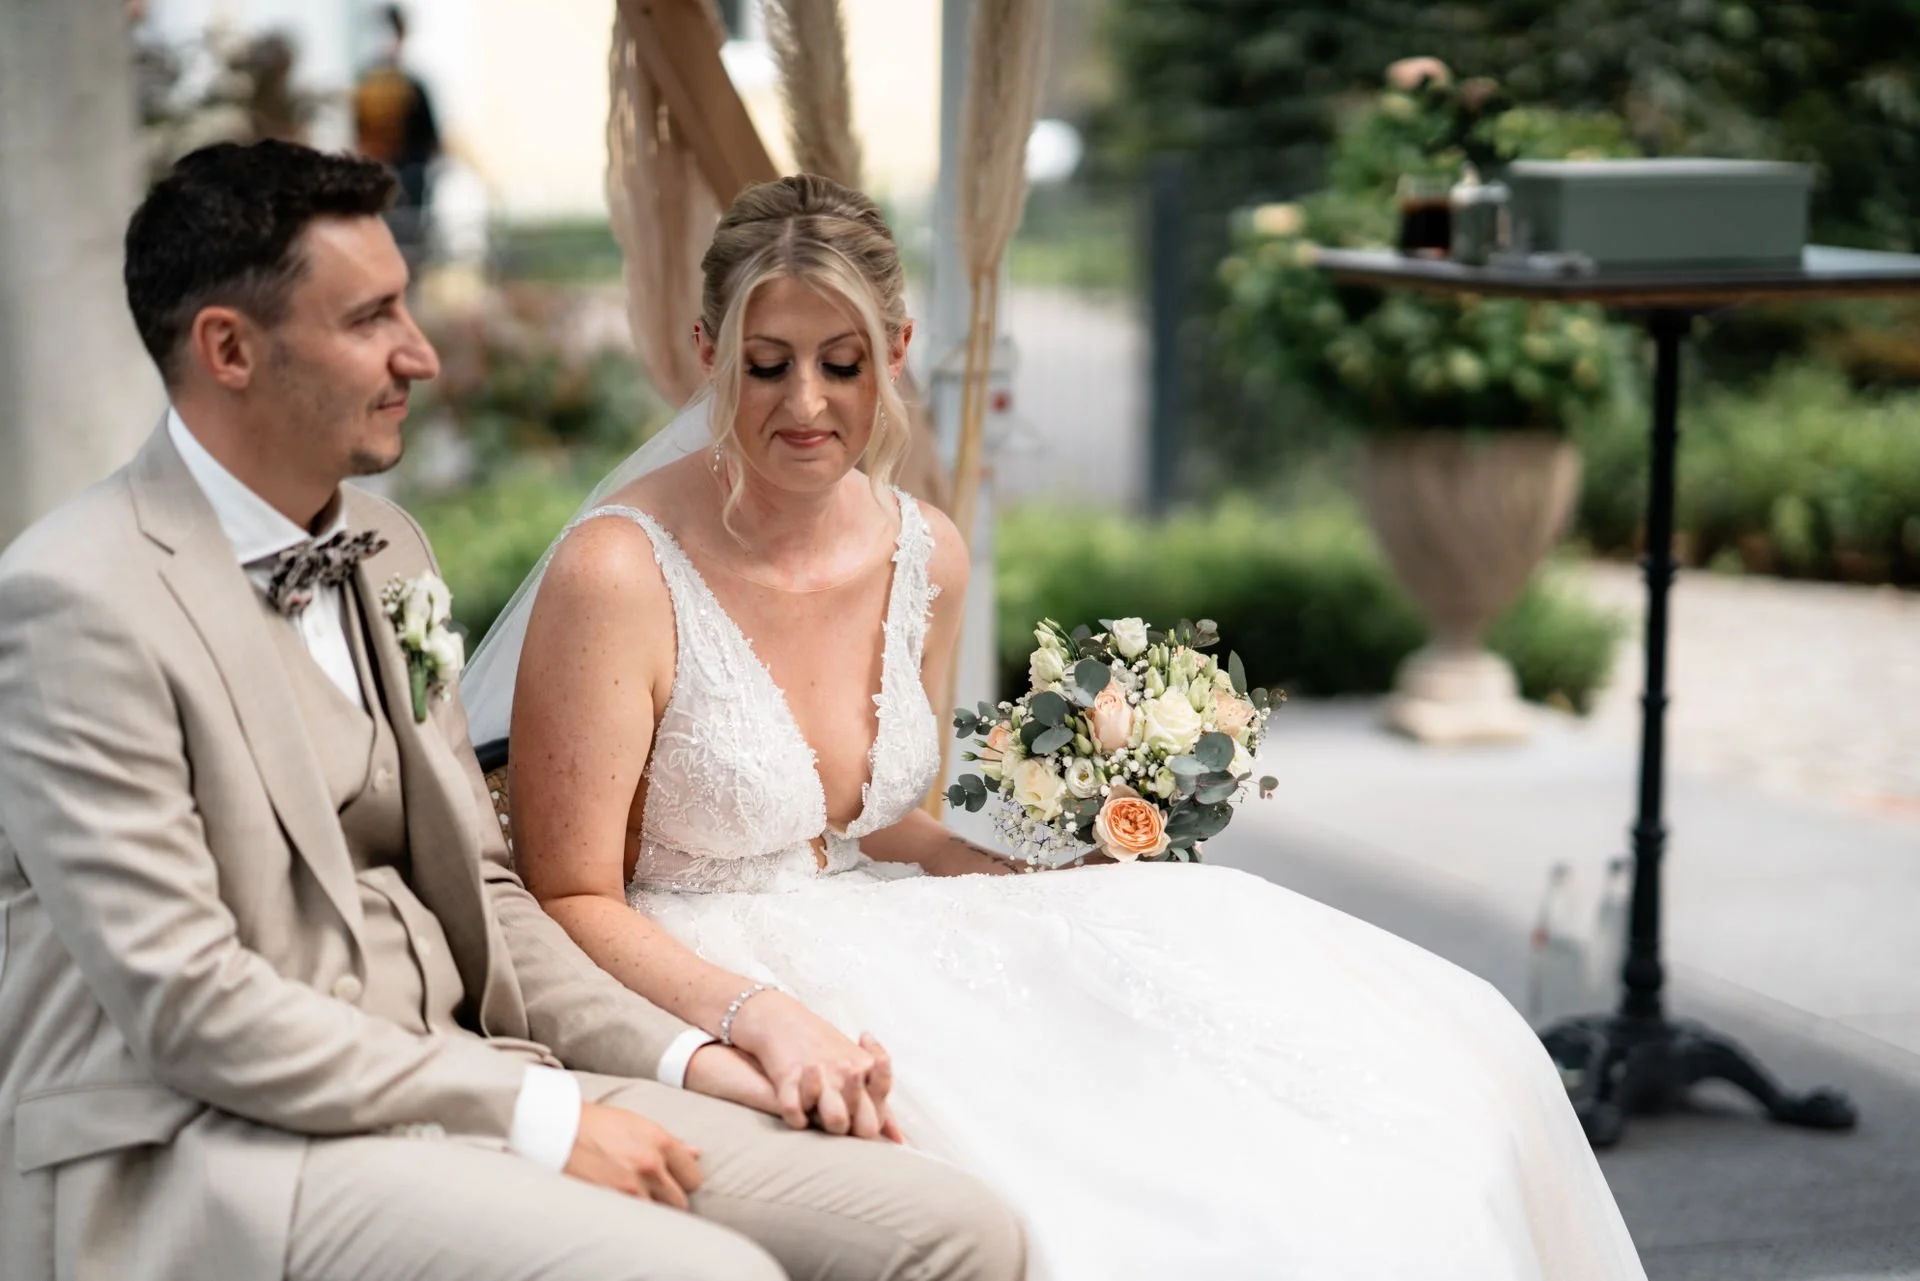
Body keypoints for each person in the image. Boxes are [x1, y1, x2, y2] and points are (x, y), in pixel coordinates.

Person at [464, 173, 1650, 1281]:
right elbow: (569, 898)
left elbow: (885, 825)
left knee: (1342, 1060)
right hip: (712, 969)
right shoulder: (620, 571)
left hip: (883, 926)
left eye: (842, 362)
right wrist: (755, 1012)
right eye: (767, 365)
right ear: (707, 353)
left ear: (898, 354)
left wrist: (1029, 864)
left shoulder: (923, 546)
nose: (807, 404)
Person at [0, 142, 1023, 1281]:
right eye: (371, 317)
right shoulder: (73, 600)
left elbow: (493, 891)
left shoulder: (387, 554)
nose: (421, 353)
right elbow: (189, 1005)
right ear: (229, 349)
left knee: (957, 1230)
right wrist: (535, 1117)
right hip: (212, 1145)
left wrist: (702, 1052)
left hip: (465, 1067)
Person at [352, 5, 440, 260]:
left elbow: (430, 140)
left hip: (406, 175)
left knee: (407, 240)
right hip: (383, 174)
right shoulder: (370, 83)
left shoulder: (409, 84)